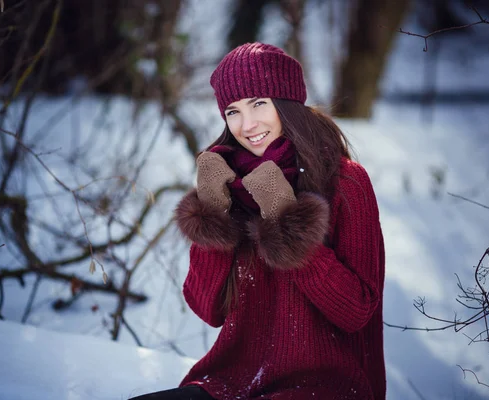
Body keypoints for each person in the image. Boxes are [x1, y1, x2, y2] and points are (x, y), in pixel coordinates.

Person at [130, 42, 386, 400]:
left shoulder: (346, 182)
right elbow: (208, 310)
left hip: (325, 387)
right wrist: (213, 210)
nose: (246, 125)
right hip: (232, 381)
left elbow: (356, 311)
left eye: (258, 103)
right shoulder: (231, 181)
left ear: (287, 104)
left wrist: (283, 216)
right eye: (232, 111)